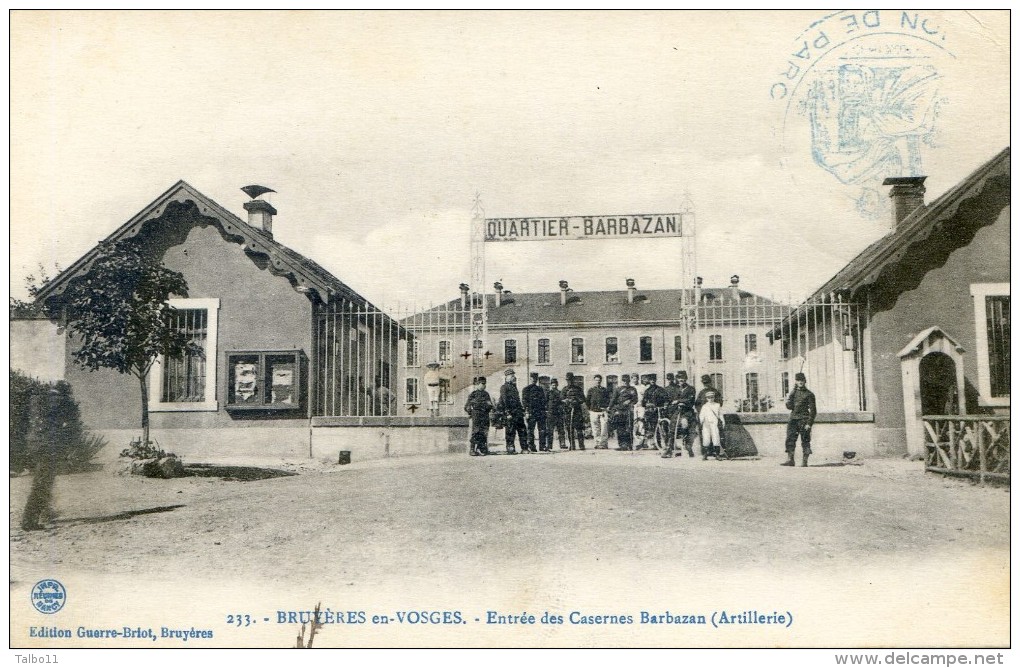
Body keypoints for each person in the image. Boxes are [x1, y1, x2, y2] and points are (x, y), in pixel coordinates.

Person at [783, 372, 817, 467]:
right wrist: (789, 397)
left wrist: (809, 423)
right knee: (790, 439)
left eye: (802, 380)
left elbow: (813, 411)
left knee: (805, 440)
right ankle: (790, 460)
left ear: (805, 381)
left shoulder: (809, 394)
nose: (800, 382)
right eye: (798, 380)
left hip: (804, 420)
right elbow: (789, 407)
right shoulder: (794, 392)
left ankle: (805, 461)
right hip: (793, 419)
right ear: (796, 381)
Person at [663, 371, 697, 458]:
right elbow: (671, 400)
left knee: (685, 425)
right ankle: (669, 449)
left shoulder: (691, 389)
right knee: (672, 428)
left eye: (683, 378)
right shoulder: (676, 389)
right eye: (679, 378)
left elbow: (690, 401)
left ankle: (688, 447)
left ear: (686, 379)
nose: (681, 380)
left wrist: (679, 401)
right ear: (677, 379)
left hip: (687, 412)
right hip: (677, 411)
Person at [496, 368, 527, 454]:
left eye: (514, 375)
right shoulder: (504, 387)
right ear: (507, 377)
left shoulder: (514, 387)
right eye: (512, 376)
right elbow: (504, 401)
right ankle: (510, 448)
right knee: (510, 431)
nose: (514, 377)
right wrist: (507, 413)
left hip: (518, 413)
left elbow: (518, 400)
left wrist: (522, 410)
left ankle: (524, 448)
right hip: (510, 413)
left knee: (522, 430)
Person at [607, 374, 638, 450]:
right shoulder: (618, 389)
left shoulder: (633, 389)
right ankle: (621, 445)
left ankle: (629, 445)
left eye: (627, 381)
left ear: (629, 381)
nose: (625, 382)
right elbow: (613, 399)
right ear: (622, 381)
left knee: (629, 427)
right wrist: (609, 408)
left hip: (629, 410)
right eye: (624, 381)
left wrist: (630, 401)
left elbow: (635, 399)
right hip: (620, 410)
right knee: (620, 428)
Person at [464, 376, 494, 456]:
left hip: (485, 415)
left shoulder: (486, 394)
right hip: (476, 415)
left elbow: (490, 405)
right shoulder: (473, 394)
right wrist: (472, 413)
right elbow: (467, 406)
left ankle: (482, 448)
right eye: (482, 384)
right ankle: (472, 449)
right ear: (477, 384)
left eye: (485, 384)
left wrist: (488, 407)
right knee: (476, 432)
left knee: (484, 432)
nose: (484, 385)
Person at [640, 374, 669, 450]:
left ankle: (661, 444)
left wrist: (665, 405)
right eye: (651, 380)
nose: (652, 381)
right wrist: (648, 404)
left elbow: (666, 399)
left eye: (654, 380)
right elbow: (643, 402)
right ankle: (649, 443)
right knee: (650, 428)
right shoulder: (647, 391)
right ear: (649, 381)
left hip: (659, 411)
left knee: (661, 427)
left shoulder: (661, 389)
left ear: (655, 380)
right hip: (650, 412)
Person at [521, 371, 547, 453]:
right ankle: (531, 446)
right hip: (531, 412)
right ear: (530, 378)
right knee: (530, 430)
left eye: (535, 379)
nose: (534, 380)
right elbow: (524, 401)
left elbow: (543, 401)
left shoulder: (540, 389)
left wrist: (544, 411)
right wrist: (527, 412)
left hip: (540, 412)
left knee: (542, 430)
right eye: (532, 378)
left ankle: (542, 446)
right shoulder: (526, 389)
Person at [562, 372, 587, 451]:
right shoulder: (564, 389)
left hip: (577, 411)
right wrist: (567, 401)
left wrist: (576, 401)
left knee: (579, 429)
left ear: (573, 380)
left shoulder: (578, 389)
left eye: (571, 380)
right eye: (568, 380)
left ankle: (581, 445)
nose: (570, 382)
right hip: (568, 411)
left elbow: (583, 399)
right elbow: (561, 399)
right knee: (569, 429)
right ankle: (572, 445)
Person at [585, 374, 612, 449]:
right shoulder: (591, 390)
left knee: (604, 428)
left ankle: (603, 444)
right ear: (594, 381)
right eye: (596, 380)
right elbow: (587, 401)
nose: (598, 381)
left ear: (601, 381)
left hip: (603, 411)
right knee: (595, 428)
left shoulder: (605, 390)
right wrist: (590, 409)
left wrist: (606, 408)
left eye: (599, 380)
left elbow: (609, 400)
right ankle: (597, 443)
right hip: (593, 411)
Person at [699, 390, 725, 460]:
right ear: (706, 398)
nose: (710, 399)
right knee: (706, 439)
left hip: (714, 424)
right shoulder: (704, 406)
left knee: (716, 438)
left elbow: (720, 414)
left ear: (714, 397)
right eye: (708, 397)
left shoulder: (717, 405)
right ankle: (705, 455)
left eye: (712, 397)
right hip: (706, 424)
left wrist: (722, 421)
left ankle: (717, 454)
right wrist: (701, 422)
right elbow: (701, 415)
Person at [545, 378, 567, 450]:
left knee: (561, 430)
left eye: (555, 385)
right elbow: (545, 402)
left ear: (557, 385)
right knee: (549, 431)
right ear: (551, 385)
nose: (554, 386)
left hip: (559, 414)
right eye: (553, 385)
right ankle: (549, 445)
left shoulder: (560, 393)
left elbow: (563, 402)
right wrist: (546, 411)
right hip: (551, 414)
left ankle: (562, 444)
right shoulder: (548, 393)